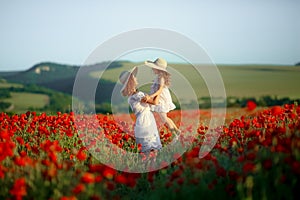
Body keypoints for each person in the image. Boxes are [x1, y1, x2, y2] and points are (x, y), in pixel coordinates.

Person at [119, 66, 162, 155]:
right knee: (151, 149)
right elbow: (155, 102)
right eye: (134, 77)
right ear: (131, 81)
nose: (136, 78)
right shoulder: (137, 95)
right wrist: (160, 89)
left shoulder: (131, 97)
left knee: (148, 151)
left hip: (143, 121)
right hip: (146, 122)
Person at [144, 58, 181, 138]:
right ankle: (177, 131)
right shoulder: (159, 77)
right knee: (165, 118)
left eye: (153, 67)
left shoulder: (161, 78)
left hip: (161, 100)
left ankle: (175, 135)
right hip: (160, 99)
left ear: (158, 68)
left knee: (164, 119)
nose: (152, 69)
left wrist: (151, 96)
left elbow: (160, 90)